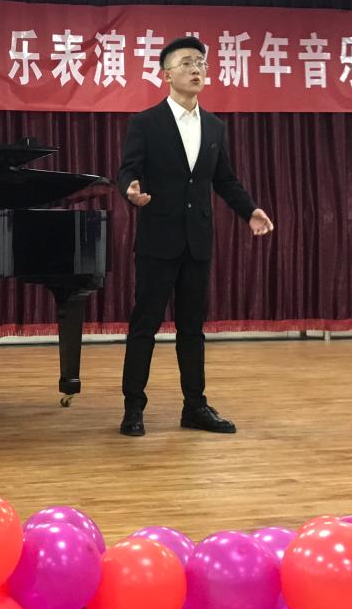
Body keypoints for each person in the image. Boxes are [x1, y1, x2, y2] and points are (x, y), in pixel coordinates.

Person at [116, 36, 274, 437]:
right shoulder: (145, 122)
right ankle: (133, 408)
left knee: (192, 328)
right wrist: (130, 189)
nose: (196, 69)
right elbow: (128, 169)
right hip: (158, 240)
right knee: (144, 326)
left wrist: (249, 210)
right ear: (166, 74)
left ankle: (195, 407)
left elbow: (224, 179)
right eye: (186, 62)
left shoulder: (215, 126)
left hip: (198, 240)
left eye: (201, 63)